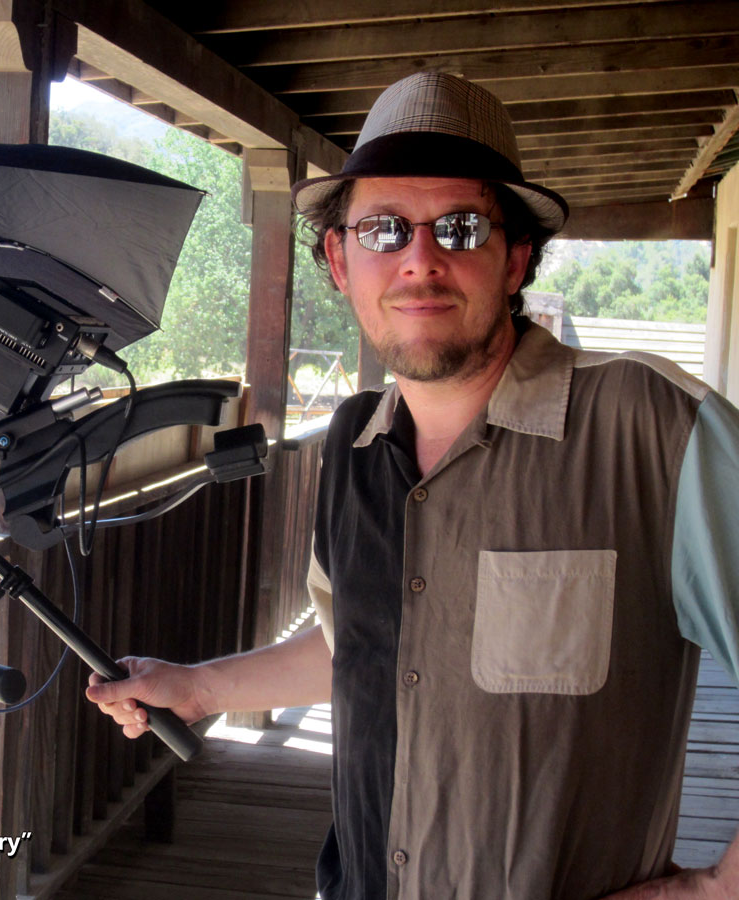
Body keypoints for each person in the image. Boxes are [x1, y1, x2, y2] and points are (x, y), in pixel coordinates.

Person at [85, 72, 739, 899]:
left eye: (461, 227)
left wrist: (716, 889)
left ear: (516, 259)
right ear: (338, 258)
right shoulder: (356, 444)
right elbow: (361, 645)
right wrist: (199, 685)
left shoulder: (651, 429)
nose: (420, 261)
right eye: (384, 230)